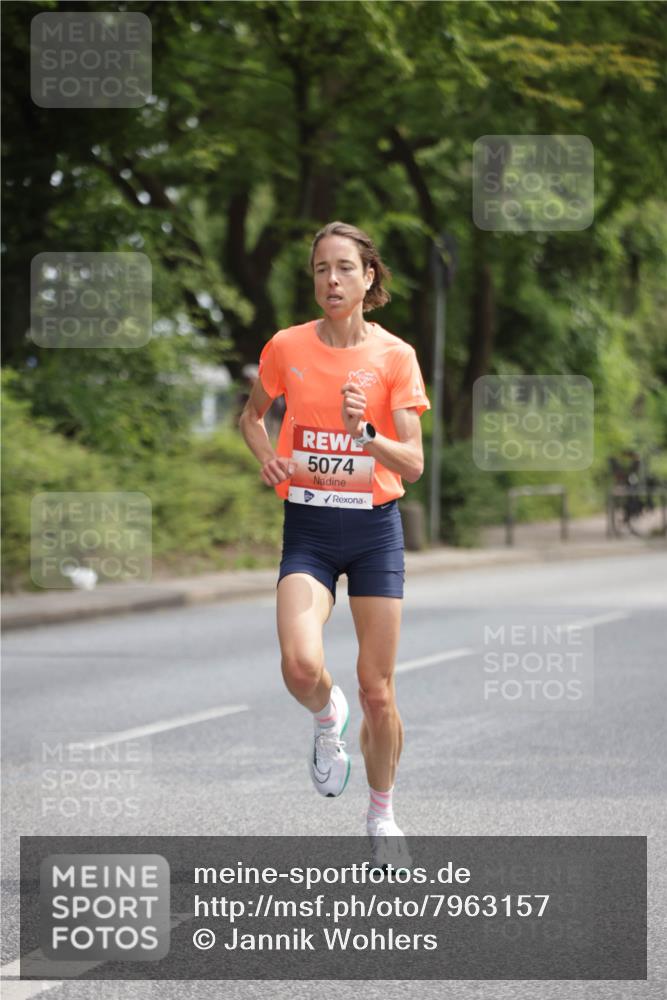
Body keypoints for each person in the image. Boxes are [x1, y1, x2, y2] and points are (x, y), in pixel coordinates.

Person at [239, 221, 430, 868]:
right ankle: (326, 720)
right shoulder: (285, 346)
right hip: (310, 531)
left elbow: (412, 463)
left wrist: (365, 431)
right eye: (321, 268)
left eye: (345, 267)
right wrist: (268, 457)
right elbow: (251, 415)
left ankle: (381, 815)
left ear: (368, 276)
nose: (331, 280)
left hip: (374, 530)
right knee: (299, 665)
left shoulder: (394, 356)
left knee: (377, 690)